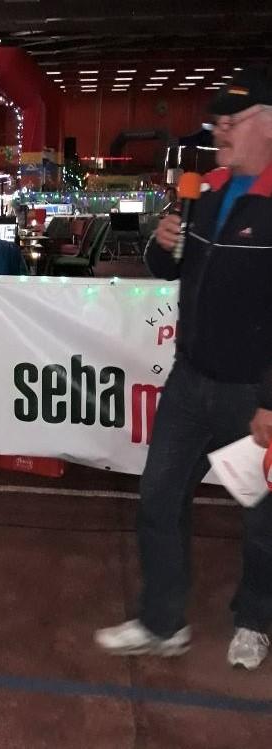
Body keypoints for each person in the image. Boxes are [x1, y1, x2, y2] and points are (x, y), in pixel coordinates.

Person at [95, 66, 272, 670]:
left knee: (262, 517)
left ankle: (254, 620)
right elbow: (169, 269)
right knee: (158, 498)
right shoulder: (209, 190)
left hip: (252, 396)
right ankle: (162, 622)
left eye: (230, 120)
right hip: (190, 381)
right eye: (216, 120)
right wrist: (162, 242)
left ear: (266, 124)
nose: (218, 130)